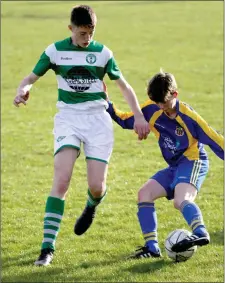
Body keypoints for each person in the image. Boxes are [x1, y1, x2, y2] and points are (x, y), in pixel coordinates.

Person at [13, 5, 150, 266]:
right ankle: (46, 248)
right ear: (70, 29)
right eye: (82, 33)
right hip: (68, 119)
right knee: (61, 179)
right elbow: (30, 77)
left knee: (97, 186)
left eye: (91, 32)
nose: (87, 38)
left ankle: (91, 204)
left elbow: (124, 85)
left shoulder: (102, 53)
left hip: (98, 121)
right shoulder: (55, 51)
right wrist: (23, 90)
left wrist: (139, 116)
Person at [107, 70, 224, 258]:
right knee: (144, 194)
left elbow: (215, 139)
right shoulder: (152, 108)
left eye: (164, 102)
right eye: (157, 103)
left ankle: (201, 232)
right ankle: (152, 248)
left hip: (193, 161)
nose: (161, 107)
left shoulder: (189, 118)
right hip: (174, 167)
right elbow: (126, 119)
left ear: (175, 95)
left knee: (181, 200)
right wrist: (107, 104)